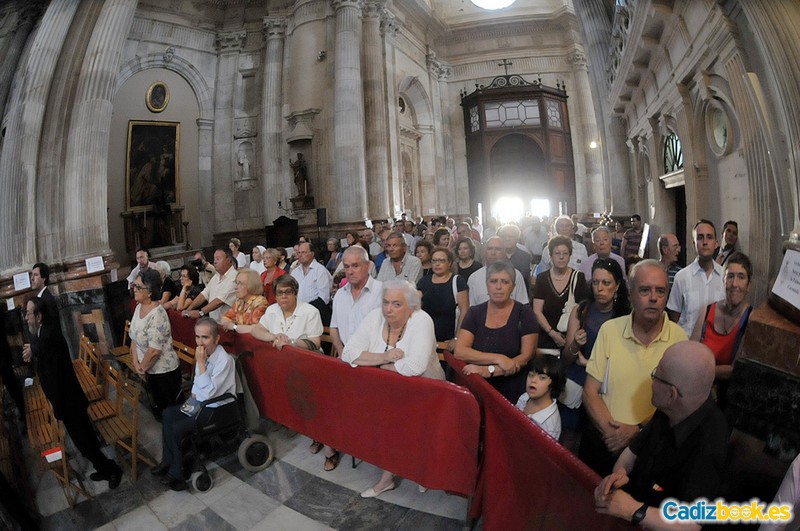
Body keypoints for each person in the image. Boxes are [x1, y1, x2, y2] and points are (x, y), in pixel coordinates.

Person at [594, 342, 728, 530]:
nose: (652, 381)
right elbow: (631, 454)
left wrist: (632, 509)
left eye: (656, 375)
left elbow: (691, 524)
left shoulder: (709, 443)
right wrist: (620, 474)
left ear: (672, 394)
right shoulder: (670, 408)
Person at [581, 260, 688, 476]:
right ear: (630, 294)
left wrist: (636, 433)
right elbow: (590, 391)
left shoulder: (679, 339)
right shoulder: (610, 330)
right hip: (606, 444)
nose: (653, 298)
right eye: (645, 290)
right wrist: (614, 435)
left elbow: (677, 404)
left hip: (651, 451)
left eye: (660, 291)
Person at [342, 280, 446, 496]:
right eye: (386, 302)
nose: (388, 309)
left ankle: (421, 471)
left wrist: (380, 365)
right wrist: (384, 358)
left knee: (419, 434)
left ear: (411, 306)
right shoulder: (375, 317)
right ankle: (387, 479)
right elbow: (348, 353)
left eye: (397, 304)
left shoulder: (421, 320)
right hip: (387, 392)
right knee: (387, 430)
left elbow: (415, 367)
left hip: (426, 392)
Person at [23, 298, 122, 488]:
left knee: (86, 443)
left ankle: (112, 471)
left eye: (28, 313)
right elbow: (39, 346)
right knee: (86, 441)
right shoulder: (44, 333)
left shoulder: (48, 337)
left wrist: (57, 407)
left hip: (69, 402)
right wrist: (32, 349)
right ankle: (104, 468)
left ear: (39, 316)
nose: (26, 317)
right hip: (69, 399)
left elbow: (55, 378)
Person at [150, 318, 236, 491]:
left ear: (216, 339)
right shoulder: (203, 354)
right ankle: (167, 461)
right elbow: (198, 384)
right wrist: (192, 399)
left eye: (205, 337)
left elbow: (211, 393)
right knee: (167, 414)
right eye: (197, 337)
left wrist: (202, 364)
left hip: (216, 408)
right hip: (200, 402)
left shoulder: (224, 360)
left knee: (178, 428)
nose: (200, 342)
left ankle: (177, 473)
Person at [456, 261, 539, 402]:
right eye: (493, 281)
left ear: (513, 287)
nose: (499, 287)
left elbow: (525, 357)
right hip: (477, 388)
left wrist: (489, 371)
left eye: (505, 282)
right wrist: (499, 359)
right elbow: (460, 351)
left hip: (513, 390)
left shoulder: (525, 313)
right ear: (486, 285)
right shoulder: (474, 313)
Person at [562, 258, 631, 413]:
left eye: (606, 283)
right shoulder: (581, 311)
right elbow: (566, 358)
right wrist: (574, 344)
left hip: (609, 386)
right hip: (578, 382)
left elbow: (626, 361)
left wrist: (588, 364)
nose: (600, 288)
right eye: (595, 282)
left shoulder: (626, 316)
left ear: (617, 285)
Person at [690, 252, 753, 408]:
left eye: (741, 277)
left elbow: (735, 369)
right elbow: (691, 351)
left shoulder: (751, 319)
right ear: (723, 280)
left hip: (728, 399)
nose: (734, 284)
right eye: (730, 276)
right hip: (696, 391)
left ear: (749, 286)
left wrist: (704, 372)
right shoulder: (707, 310)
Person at [130, 269, 182, 418]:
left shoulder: (157, 314)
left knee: (172, 412)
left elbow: (154, 351)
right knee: (159, 411)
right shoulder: (139, 307)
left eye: (139, 287)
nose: (135, 289)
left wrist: (142, 369)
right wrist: (136, 362)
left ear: (150, 292)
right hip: (148, 369)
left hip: (164, 372)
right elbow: (134, 335)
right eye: (135, 285)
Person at [533, 236, 590, 356]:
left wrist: (572, 338)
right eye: (557, 253)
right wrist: (552, 334)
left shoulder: (578, 277)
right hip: (546, 336)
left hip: (572, 338)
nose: (561, 257)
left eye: (565, 253)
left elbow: (583, 312)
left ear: (570, 256)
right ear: (551, 255)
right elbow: (537, 311)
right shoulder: (542, 278)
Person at [667, 219, 725, 335]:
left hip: (716, 347)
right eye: (700, 237)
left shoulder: (725, 276)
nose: (704, 242)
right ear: (694, 244)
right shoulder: (682, 277)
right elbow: (674, 318)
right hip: (687, 346)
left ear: (716, 243)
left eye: (709, 237)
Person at [242, 275, 323, 353]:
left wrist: (291, 342)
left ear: (295, 293)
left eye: (288, 292)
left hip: (303, 358)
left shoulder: (310, 311)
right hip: (278, 356)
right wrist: (273, 337)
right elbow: (256, 330)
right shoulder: (272, 309)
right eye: (279, 292)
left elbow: (315, 342)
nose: (284, 296)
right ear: (275, 296)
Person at [330, 246, 383, 358]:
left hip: (374, 359)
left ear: (367, 266)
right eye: (346, 267)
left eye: (355, 266)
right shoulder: (340, 294)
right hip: (345, 358)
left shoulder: (382, 292)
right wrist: (341, 352)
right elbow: (334, 328)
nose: (350, 271)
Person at [417, 247, 468, 351]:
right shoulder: (424, 282)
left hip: (450, 338)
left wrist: (457, 338)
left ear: (449, 263)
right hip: (425, 337)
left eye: (441, 261)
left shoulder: (457, 281)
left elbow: (464, 311)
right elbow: (415, 308)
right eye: (434, 261)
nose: (437, 264)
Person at [467, 236, 529, 306]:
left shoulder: (516, 275)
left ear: (505, 252)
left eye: (498, 249)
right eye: (489, 249)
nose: (493, 253)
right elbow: (471, 307)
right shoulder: (474, 277)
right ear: (485, 252)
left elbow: (523, 304)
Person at [515, 355, 565, 440]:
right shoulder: (524, 397)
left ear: (554, 383)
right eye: (531, 375)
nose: (533, 380)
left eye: (542, 378)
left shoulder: (550, 425)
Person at [183, 248, 238, 321]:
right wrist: (189, 309)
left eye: (218, 259)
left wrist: (200, 312)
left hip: (226, 325)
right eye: (214, 259)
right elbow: (204, 294)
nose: (214, 262)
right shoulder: (216, 276)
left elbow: (219, 301)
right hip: (214, 322)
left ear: (229, 260)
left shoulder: (234, 277)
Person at [291, 241, 333, 324]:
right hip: (297, 314)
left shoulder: (320, 270)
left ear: (312, 253)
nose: (300, 255)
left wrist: (305, 309)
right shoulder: (295, 272)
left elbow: (324, 298)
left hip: (317, 314)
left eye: (304, 252)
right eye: (299, 252)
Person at [220, 268, 268, 332]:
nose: (236, 287)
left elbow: (255, 330)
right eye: (237, 283)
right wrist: (232, 326)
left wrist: (233, 326)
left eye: (240, 284)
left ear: (251, 285)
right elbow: (225, 319)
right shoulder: (239, 301)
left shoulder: (261, 303)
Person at [499, 224, 532, 292]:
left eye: (511, 236)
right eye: (504, 236)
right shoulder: (497, 256)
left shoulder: (525, 256)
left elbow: (521, 276)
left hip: (519, 293)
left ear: (517, 238)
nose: (507, 239)